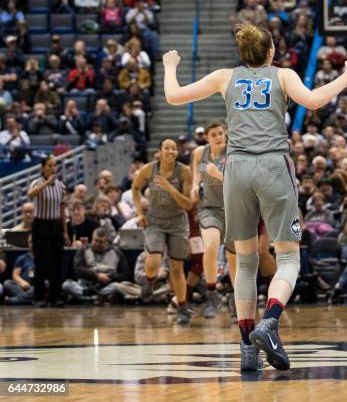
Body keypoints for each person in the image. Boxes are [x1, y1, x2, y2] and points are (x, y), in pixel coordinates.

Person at [163, 22, 347, 371]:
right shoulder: (282, 75)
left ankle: (247, 349)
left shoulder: (225, 77)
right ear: (270, 52)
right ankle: (269, 322)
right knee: (288, 259)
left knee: (244, 261)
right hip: (272, 165)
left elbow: (173, 96)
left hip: (236, 169)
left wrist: (169, 67)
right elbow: (314, 101)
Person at [132, 138, 193, 323]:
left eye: (174, 148)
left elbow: (188, 205)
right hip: (156, 221)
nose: (171, 151)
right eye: (167, 148)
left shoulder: (184, 171)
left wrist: (169, 187)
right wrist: (138, 212)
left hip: (177, 222)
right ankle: (149, 281)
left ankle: (182, 307)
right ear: (160, 151)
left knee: (177, 269)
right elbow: (135, 188)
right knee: (153, 263)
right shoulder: (149, 169)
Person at [190, 122, 236, 319]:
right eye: (214, 134)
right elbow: (195, 172)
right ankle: (211, 293)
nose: (219, 137)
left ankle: (236, 300)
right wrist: (194, 186)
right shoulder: (200, 152)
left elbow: (240, 182)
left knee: (234, 260)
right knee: (210, 246)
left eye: (221, 133)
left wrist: (221, 176)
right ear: (207, 138)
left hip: (233, 208)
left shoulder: (233, 153)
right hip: (209, 208)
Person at [26, 156, 70, 307]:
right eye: (50, 165)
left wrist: (65, 232)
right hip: (40, 225)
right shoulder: (37, 182)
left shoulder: (61, 186)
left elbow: (62, 210)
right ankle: (38, 297)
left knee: (56, 262)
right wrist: (46, 183)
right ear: (43, 168)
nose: (53, 168)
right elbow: (30, 194)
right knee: (41, 262)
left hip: (55, 225)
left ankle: (54, 296)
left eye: (54, 165)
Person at [62, 228, 131, 303]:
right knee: (66, 285)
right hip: (85, 285)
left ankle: (87, 298)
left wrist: (109, 276)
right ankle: (94, 297)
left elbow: (125, 274)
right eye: (95, 240)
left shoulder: (116, 252)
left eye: (101, 242)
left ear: (107, 242)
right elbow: (78, 269)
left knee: (118, 287)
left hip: (106, 285)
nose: (97, 244)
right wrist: (96, 275)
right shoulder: (83, 250)